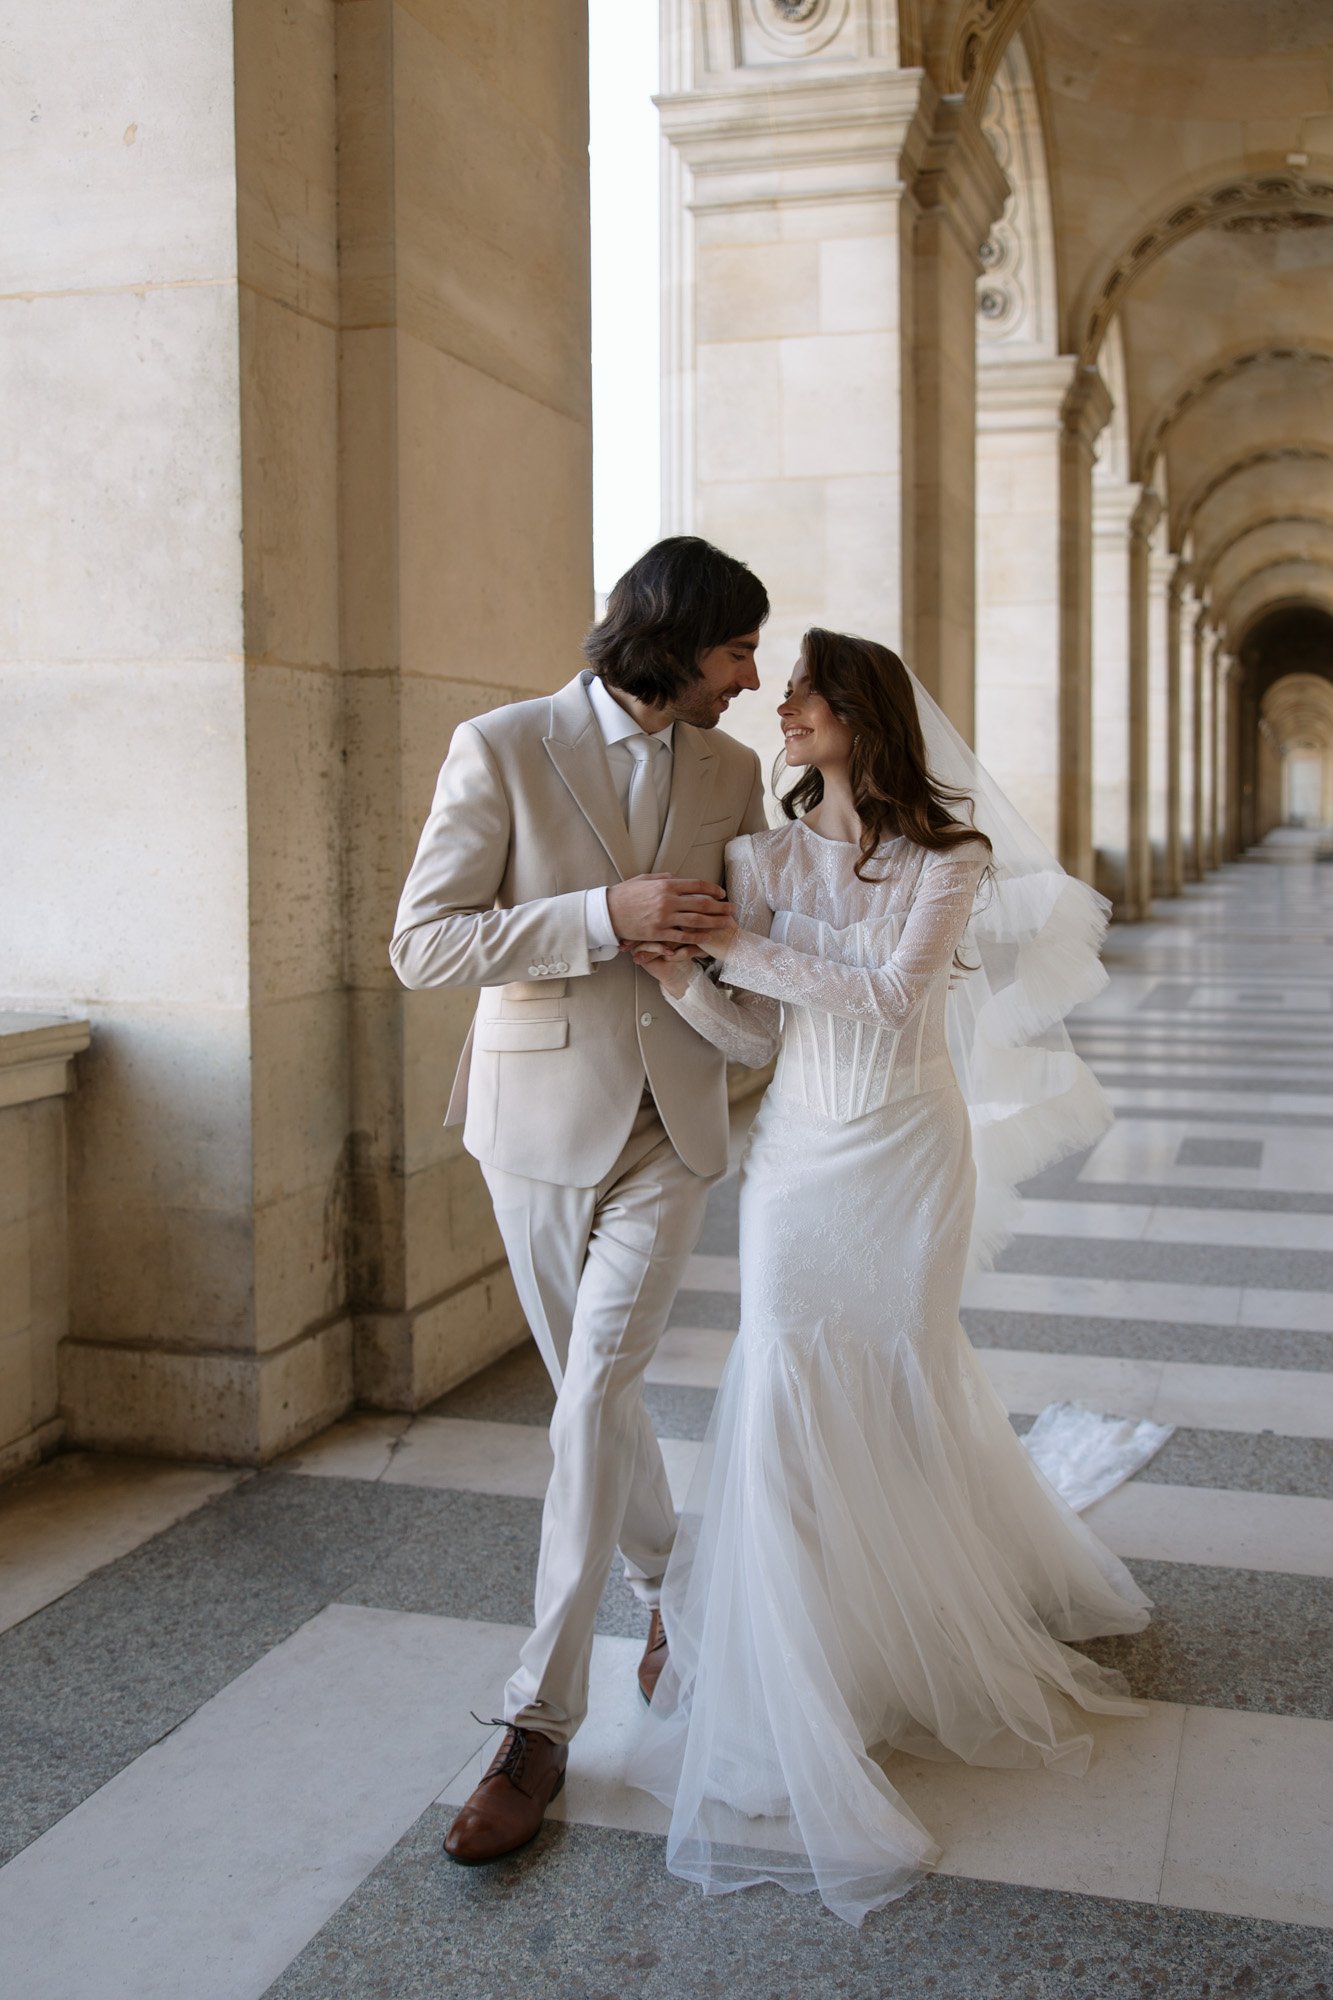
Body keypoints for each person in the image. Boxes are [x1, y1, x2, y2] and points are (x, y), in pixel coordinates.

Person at [630, 628, 1154, 1926]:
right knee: (790, 1377)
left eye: (802, 692)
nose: (783, 707)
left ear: (858, 712)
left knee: (900, 1370)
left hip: (910, 1152)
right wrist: (684, 979)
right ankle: (804, 1662)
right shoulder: (757, 854)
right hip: (802, 1153)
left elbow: (879, 994)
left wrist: (732, 950)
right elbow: (759, 1029)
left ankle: (912, 1620)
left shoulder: (951, 858)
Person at [390, 536, 770, 1865]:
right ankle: (668, 1584)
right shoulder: (497, 745)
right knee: (589, 1398)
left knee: (598, 1384)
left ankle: (536, 1722)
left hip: (674, 1119)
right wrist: (599, 913)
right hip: (536, 1123)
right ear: (679, 640)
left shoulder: (734, 770)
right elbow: (422, 940)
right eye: (738, 650)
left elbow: (750, 935)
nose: (752, 677)